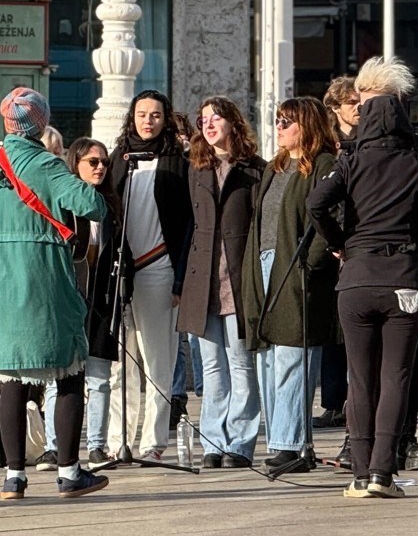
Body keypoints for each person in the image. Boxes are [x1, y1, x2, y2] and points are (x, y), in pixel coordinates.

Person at [307, 55, 418, 500]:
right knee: (395, 376)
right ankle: (382, 472)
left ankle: (357, 475)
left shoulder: (351, 159)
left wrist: (340, 243)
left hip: (355, 279)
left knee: (360, 377)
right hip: (404, 278)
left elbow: (316, 205)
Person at [0, 87, 109, 501]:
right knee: (68, 368)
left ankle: (14, 476)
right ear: (41, 123)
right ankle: (68, 471)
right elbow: (92, 205)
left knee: (9, 378)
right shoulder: (46, 164)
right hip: (42, 277)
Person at [244, 98, 340, 475]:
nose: (279, 127)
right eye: (277, 120)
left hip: (295, 268)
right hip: (267, 263)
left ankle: (294, 444)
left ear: (307, 125)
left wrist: (308, 263)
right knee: (268, 357)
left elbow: (328, 220)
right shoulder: (276, 166)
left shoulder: (322, 165)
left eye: (287, 121)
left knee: (292, 357)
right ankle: (281, 439)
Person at [179, 97, 266, 469]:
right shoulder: (195, 168)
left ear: (233, 123)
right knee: (211, 368)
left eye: (216, 118)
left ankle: (241, 444)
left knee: (242, 363)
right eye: (204, 119)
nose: (209, 124)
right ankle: (213, 442)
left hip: (238, 278)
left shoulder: (254, 170)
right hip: (203, 281)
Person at [107, 90, 192, 465]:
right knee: (119, 365)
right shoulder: (117, 159)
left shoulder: (178, 161)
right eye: (142, 114)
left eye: (156, 115)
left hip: (159, 267)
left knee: (159, 360)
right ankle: (117, 439)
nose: (148, 121)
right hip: (122, 273)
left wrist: (180, 281)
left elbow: (189, 223)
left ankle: (154, 441)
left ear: (166, 119)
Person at [66, 137, 125, 468]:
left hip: (103, 300)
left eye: (104, 162)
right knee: (61, 375)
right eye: (93, 162)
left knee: (100, 376)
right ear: (76, 165)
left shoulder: (111, 207)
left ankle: (97, 445)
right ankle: (55, 445)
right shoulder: (66, 206)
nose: (101, 167)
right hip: (69, 300)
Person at [315, 77, 361, 433]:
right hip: (333, 244)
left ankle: (352, 401)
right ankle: (334, 401)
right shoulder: (327, 148)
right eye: (350, 103)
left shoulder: (367, 141)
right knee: (333, 329)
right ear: (335, 108)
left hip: (359, 240)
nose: (357, 108)